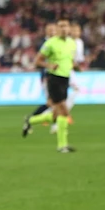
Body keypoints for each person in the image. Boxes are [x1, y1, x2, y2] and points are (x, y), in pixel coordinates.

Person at [23, 19, 76, 153]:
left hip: (65, 79)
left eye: (66, 26)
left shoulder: (71, 43)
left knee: (56, 114)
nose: (64, 29)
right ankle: (62, 146)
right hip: (53, 79)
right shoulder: (50, 43)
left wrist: (77, 67)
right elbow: (37, 61)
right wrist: (49, 65)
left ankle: (31, 120)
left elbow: (69, 60)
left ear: (69, 29)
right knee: (64, 111)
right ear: (57, 29)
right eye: (61, 27)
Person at [26, 23, 57, 123]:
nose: (52, 31)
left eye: (54, 29)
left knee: (55, 102)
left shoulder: (58, 42)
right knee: (52, 102)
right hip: (47, 76)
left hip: (59, 75)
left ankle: (34, 119)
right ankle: (32, 119)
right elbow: (38, 61)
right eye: (50, 29)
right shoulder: (42, 43)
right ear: (46, 31)